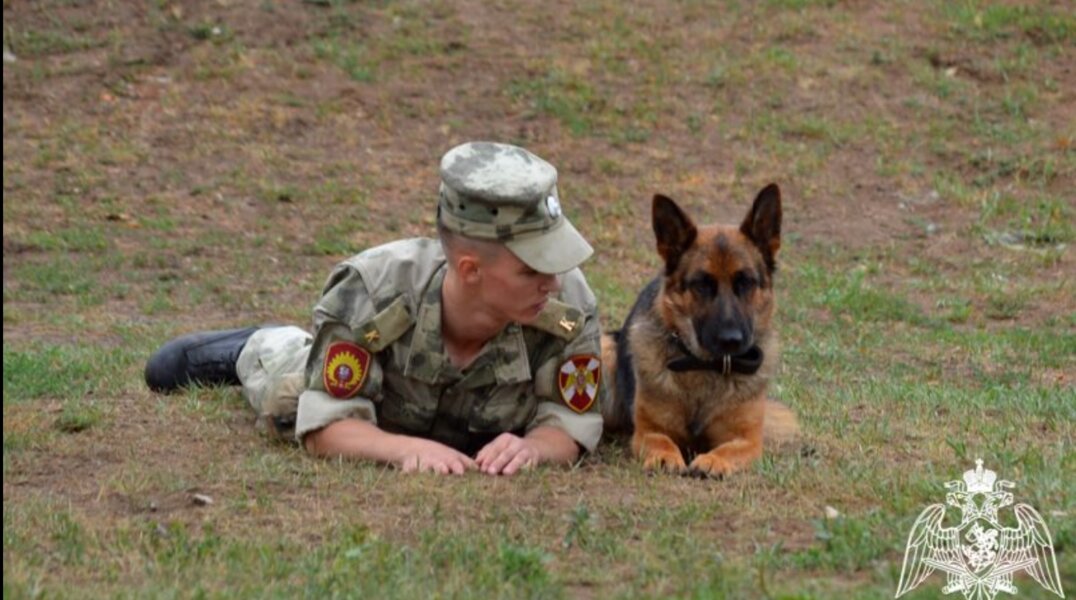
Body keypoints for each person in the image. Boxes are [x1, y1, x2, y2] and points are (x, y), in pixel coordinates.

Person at [145, 141, 605, 476]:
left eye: (556, 263)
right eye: (532, 270)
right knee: (288, 396)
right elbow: (327, 424)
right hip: (379, 408)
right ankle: (260, 343)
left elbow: (571, 419)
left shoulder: (569, 306)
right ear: (470, 269)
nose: (554, 281)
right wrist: (404, 449)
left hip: (483, 418)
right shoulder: (372, 292)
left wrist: (535, 448)